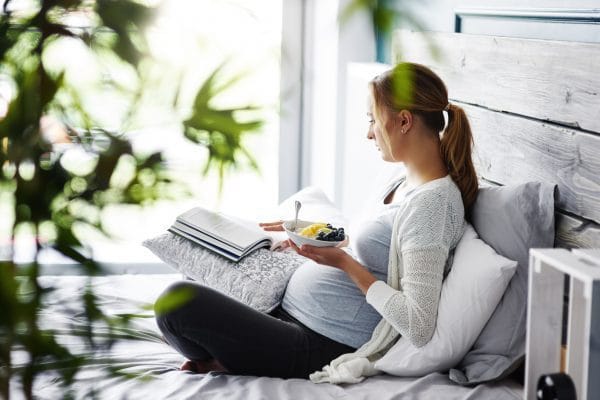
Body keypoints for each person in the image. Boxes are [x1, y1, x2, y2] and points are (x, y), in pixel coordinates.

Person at [154, 62, 478, 382]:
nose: (369, 133)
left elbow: (418, 325)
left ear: (404, 120)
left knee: (176, 303)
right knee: (194, 272)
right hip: (288, 310)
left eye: (372, 120)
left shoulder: (433, 205)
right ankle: (231, 355)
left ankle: (229, 360)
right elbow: (374, 242)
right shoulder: (404, 179)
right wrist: (303, 230)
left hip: (318, 341)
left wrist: (346, 266)